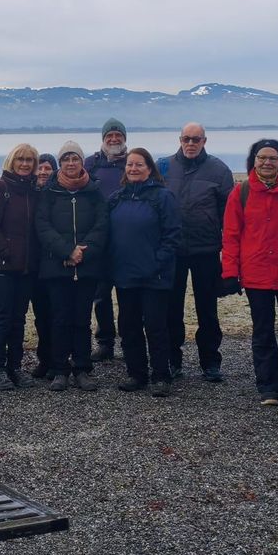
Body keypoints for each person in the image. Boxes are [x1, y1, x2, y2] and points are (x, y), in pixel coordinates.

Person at [220, 139, 278, 407]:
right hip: (256, 273)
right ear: (254, 160)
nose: (267, 163)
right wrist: (230, 272)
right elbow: (231, 235)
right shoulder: (241, 192)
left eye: (273, 158)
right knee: (262, 332)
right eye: (262, 158)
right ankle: (268, 386)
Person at [162, 123, 235, 382]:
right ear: (179, 139)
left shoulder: (219, 170)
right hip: (173, 249)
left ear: (204, 141)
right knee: (171, 307)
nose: (190, 144)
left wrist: (228, 249)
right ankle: (172, 359)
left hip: (206, 249)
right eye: (186, 139)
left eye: (196, 139)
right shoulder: (164, 166)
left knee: (207, 308)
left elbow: (229, 213)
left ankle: (210, 361)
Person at [37, 141, 109, 393]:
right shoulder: (49, 192)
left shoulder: (94, 191)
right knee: (59, 319)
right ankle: (60, 369)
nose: (70, 163)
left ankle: (82, 368)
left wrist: (82, 253)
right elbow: (43, 226)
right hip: (57, 267)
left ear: (81, 162)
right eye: (66, 159)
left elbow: (102, 226)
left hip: (87, 268)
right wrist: (66, 251)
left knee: (81, 319)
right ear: (60, 163)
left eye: (75, 158)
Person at [108, 148, 181, 397]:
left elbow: (172, 235)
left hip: (154, 276)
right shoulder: (116, 198)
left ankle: (161, 375)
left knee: (156, 326)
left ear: (149, 168)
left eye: (139, 164)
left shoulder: (163, 197)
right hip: (125, 274)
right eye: (130, 164)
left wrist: (157, 262)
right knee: (128, 326)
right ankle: (136, 373)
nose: (133, 169)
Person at [0, 143, 41, 391]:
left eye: (29, 160)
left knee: (19, 319)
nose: (25, 164)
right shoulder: (1, 187)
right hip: (3, 265)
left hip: (27, 267)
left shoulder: (33, 190)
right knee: (3, 317)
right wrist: (6, 251)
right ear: (12, 161)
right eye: (21, 159)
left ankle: (15, 366)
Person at [86, 118, 128, 361]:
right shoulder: (90, 164)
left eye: (118, 135)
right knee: (101, 296)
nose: (114, 139)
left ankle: (129, 341)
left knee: (127, 295)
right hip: (99, 241)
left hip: (126, 241)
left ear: (124, 138)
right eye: (109, 135)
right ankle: (105, 342)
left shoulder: (134, 162)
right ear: (103, 139)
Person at [29, 153, 59, 378]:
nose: (43, 172)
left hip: (55, 262)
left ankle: (58, 360)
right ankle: (44, 359)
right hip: (32, 264)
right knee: (41, 316)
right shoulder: (29, 194)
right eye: (39, 168)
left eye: (48, 168)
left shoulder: (58, 194)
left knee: (56, 314)